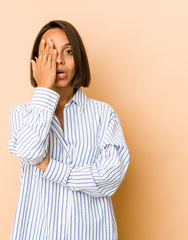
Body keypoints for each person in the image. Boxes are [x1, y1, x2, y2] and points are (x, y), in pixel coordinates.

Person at [7, 20, 130, 240]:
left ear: (79, 58)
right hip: (38, 233)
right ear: (36, 63)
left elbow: (110, 177)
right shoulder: (22, 114)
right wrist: (44, 88)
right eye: (49, 51)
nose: (59, 60)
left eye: (68, 51)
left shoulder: (103, 114)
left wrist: (52, 168)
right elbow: (30, 152)